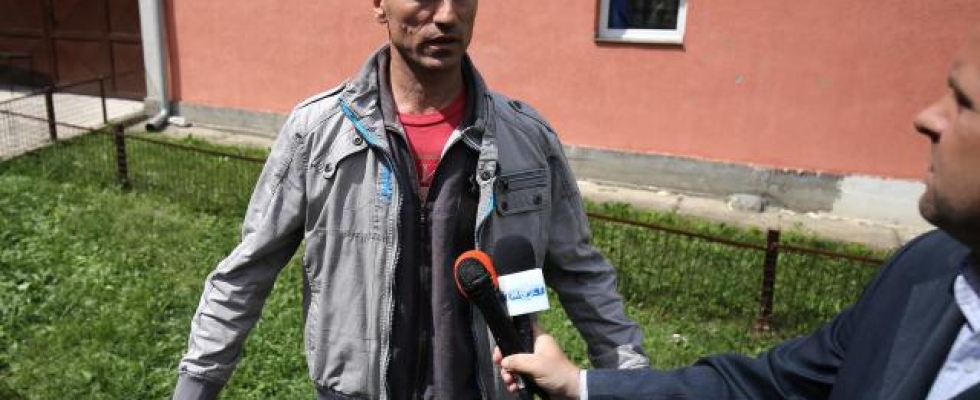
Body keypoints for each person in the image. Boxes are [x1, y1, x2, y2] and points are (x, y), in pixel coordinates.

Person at [172, 1, 648, 399]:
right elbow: (246, 271)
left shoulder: (526, 138)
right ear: (380, 5)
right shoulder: (317, 133)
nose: (447, 16)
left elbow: (583, 273)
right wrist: (196, 386)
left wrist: (633, 381)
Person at [496, 26, 980, 400]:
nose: (925, 117)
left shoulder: (526, 136)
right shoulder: (924, 269)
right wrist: (583, 386)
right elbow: (769, 385)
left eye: (964, 103)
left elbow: (580, 271)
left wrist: (621, 367)